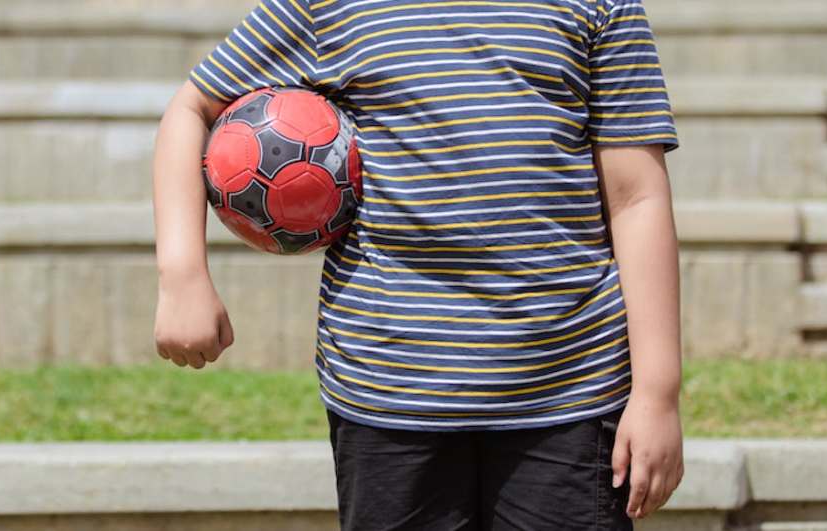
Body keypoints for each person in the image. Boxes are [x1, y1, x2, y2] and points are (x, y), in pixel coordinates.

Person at [152, 0, 684, 528]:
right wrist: (183, 277)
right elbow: (191, 109)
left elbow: (637, 198)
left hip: (569, 391)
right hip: (389, 392)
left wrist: (657, 393)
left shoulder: (601, 7)